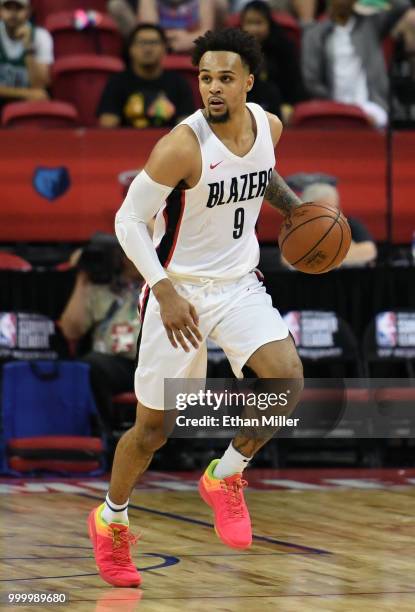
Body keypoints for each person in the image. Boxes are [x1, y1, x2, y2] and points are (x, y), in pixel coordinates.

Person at [87, 27, 305, 588]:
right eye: (205, 77)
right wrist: (162, 289)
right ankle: (110, 520)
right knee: (153, 430)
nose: (213, 88)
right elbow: (128, 221)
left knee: (287, 379)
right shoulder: (181, 145)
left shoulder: (268, 126)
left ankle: (226, 475)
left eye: (225, 78)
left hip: (237, 283)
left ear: (249, 83)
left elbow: (260, 176)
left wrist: (297, 209)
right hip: (178, 288)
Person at [59, 236, 143, 431]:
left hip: (156, 362)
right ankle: (102, 435)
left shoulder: (167, 285)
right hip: (116, 364)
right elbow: (71, 331)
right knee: (89, 366)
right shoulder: (98, 289)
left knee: (199, 366)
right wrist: (82, 279)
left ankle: (187, 446)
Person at [302, 0, 412, 128]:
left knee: (372, 118)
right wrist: (333, 104)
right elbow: (311, 81)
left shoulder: (371, 25)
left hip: (371, 106)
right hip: (333, 106)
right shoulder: (316, 34)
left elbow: (402, 5)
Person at [97, 23, 195, 128]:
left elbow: (186, 130)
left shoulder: (178, 83)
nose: (148, 49)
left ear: (164, 48)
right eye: (142, 43)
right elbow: (107, 127)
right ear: (130, 49)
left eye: (154, 43)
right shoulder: (116, 83)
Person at [240, 1, 307, 118]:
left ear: (269, 24)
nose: (253, 29)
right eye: (249, 23)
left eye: (258, 23)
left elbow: (293, 82)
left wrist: (289, 105)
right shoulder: (236, 49)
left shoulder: (284, 47)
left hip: (280, 104)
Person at [302, 183, 377, 266]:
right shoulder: (297, 230)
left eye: (334, 208)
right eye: (323, 210)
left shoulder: (350, 224)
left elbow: (369, 251)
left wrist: (320, 258)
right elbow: (288, 260)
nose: (331, 214)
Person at [0, 0, 53, 109]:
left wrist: (28, 47)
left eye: (18, 8)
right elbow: (35, 93)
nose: (13, 14)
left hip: (28, 106)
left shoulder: (40, 36)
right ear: (0, 11)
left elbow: (40, 86)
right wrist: (26, 94)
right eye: (8, 8)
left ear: (28, 11)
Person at [138, 0, 223, 53]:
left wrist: (188, 41)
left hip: (194, 50)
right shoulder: (148, 1)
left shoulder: (206, 2)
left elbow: (207, 34)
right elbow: (149, 33)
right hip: (160, 49)